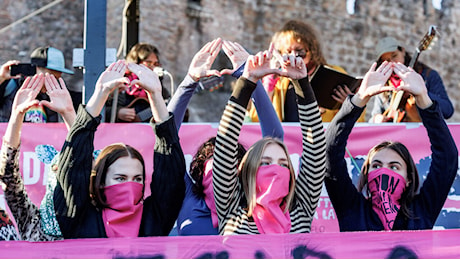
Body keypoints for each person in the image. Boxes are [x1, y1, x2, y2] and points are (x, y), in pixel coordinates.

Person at [53, 60, 185, 238]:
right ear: (100, 180)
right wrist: (100, 94)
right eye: (120, 178)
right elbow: (74, 164)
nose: (130, 185)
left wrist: (155, 96)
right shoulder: (77, 217)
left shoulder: (155, 218)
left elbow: (171, 173)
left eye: (137, 178)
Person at [325, 61, 458, 231]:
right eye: (376, 165)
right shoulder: (351, 209)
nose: (384, 171)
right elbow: (329, 153)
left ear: (409, 179)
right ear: (366, 174)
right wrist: (359, 99)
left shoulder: (421, 212)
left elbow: (447, 158)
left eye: (394, 167)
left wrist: (423, 99)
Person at [170, 39, 284, 235]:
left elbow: (274, 139)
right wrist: (190, 81)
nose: (222, 171)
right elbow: (166, 138)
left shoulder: (249, 203)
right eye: (216, 164)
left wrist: (250, 78)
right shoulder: (188, 196)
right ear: (199, 171)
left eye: (229, 164)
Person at [212, 44, 326, 235]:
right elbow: (225, 144)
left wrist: (302, 84)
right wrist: (247, 81)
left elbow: (316, 149)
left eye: (283, 164)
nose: (275, 169)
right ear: (248, 169)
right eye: (265, 163)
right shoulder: (231, 209)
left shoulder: (300, 213)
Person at [0, 73, 75, 241]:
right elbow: (8, 175)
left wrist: (70, 114)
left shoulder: (90, 220)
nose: (63, 178)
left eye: (70, 173)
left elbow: (86, 161)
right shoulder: (32, 220)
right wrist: (16, 116)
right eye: (59, 170)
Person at [246, 20, 364, 123]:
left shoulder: (334, 73)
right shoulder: (278, 81)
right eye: (288, 52)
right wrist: (269, 82)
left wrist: (349, 105)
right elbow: (257, 120)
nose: (294, 56)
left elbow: (358, 123)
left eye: (299, 51)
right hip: (288, 143)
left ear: (312, 50)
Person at [370, 37, 454, 123]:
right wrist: (376, 119)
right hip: (396, 135)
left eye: (394, 56)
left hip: (424, 133)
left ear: (403, 51)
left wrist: (422, 93)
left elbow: (447, 111)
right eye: (387, 61)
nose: (392, 63)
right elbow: (373, 118)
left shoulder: (428, 76)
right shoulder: (385, 83)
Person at [0, 46, 76, 123]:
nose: (54, 83)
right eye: (51, 77)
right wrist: (1, 78)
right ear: (36, 69)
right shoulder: (10, 86)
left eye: (57, 79)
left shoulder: (56, 94)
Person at [105, 43, 171, 123]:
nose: (153, 67)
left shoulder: (159, 87)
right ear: (136, 63)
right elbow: (99, 110)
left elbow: (170, 110)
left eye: (156, 64)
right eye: (149, 63)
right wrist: (117, 113)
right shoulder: (120, 83)